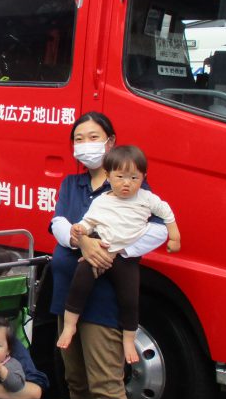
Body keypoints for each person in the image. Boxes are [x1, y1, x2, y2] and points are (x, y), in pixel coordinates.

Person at [48, 112, 167, 399]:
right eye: (79, 138)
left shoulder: (127, 185)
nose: (86, 144)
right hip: (67, 295)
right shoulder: (72, 183)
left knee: (107, 386)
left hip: (103, 304)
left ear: (111, 141)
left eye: (93, 136)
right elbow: (59, 223)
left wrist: (113, 250)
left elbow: (158, 230)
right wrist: (82, 242)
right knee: (76, 381)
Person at [56, 145, 180, 364]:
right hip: (99, 250)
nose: (126, 183)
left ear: (144, 177)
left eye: (134, 177)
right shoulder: (102, 200)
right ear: (108, 175)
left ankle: (129, 339)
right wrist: (80, 229)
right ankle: (69, 326)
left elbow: (166, 213)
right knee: (79, 283)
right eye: (120, 177)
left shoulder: (146, 198)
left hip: (125, 258)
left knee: (130, 298)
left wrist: (174, 236)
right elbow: (88, 221)